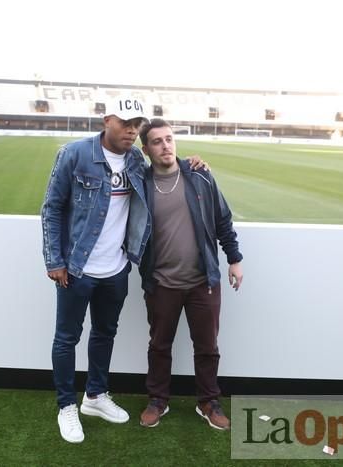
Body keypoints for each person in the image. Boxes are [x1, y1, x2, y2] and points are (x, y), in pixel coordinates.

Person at [41, 98, 204, 443]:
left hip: (116, 267)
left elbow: (164, 167)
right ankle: (66, 406)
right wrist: (54, 260)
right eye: (125, 122)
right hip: (77, 267)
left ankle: (95, 396)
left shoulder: (134, 158)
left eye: (137, 124)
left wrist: (190, 164)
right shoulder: (75, 154)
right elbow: (52, 208)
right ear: (107, 121)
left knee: (104, 333)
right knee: (67, 337)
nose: (132, 130)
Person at [137, 118, 243, 431]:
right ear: (146, 149)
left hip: (203, 282)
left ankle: (208, 401)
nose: (165, 145)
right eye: (157, 141)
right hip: (161, 283)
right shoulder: (140, 184)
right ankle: (158, 400)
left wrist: (234, 260)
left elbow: (223, 220)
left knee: (207, 347)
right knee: (159, 345)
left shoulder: (200, 177)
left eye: (169, 139)